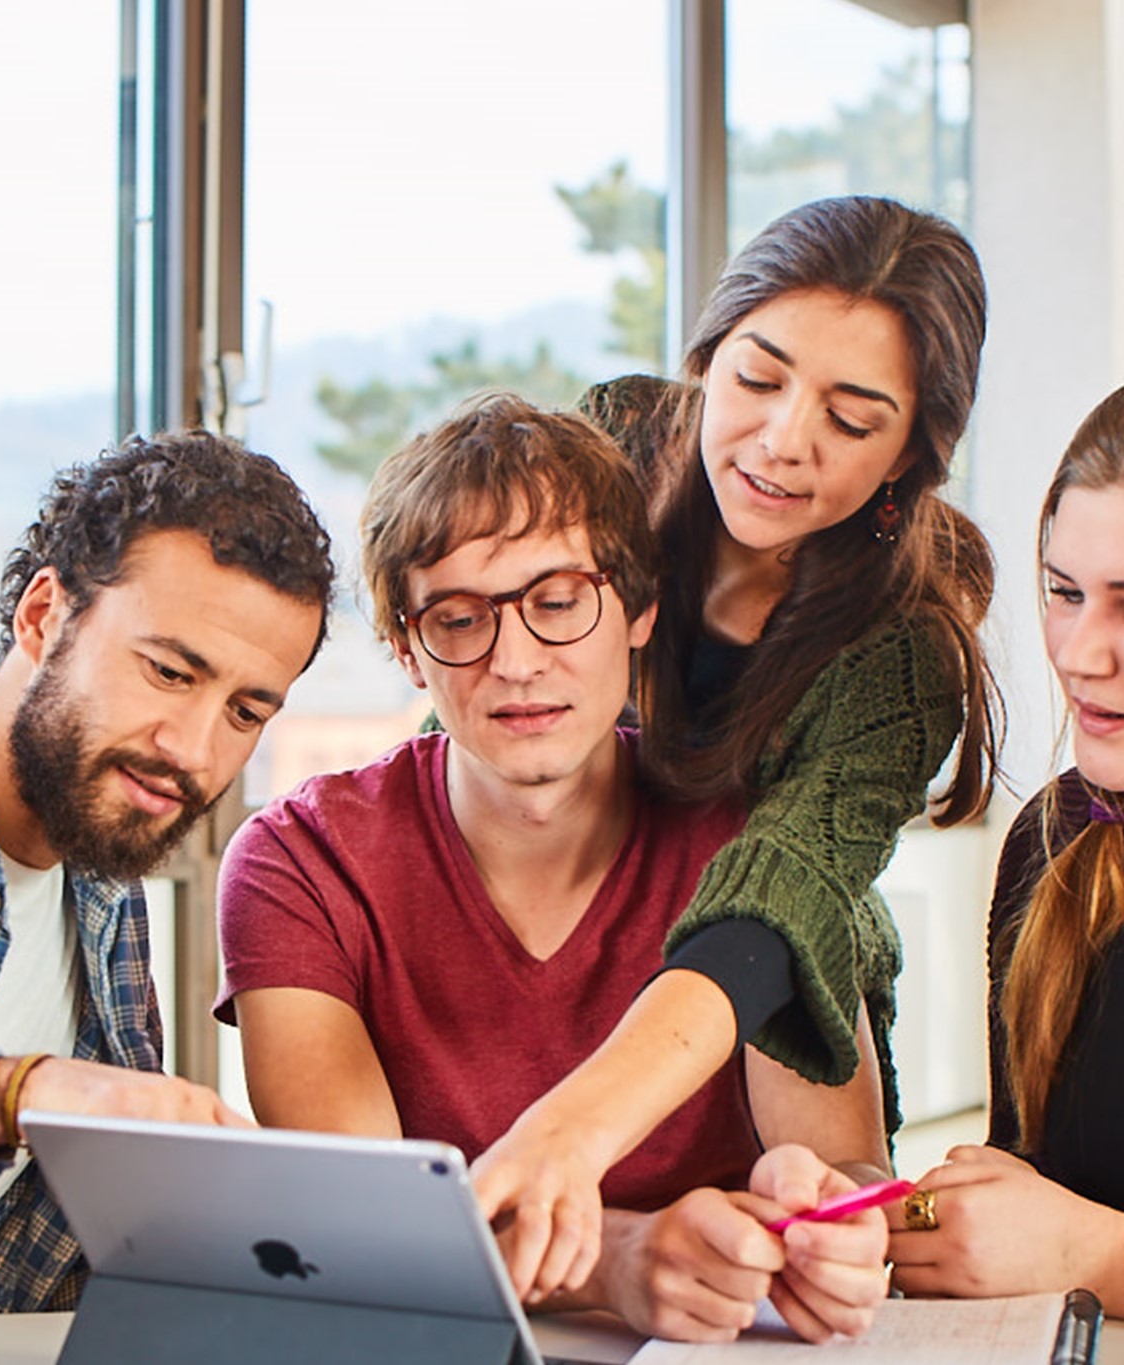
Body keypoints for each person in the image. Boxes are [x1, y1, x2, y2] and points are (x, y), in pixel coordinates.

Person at [216, 395, 892, 1344]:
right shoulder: (298, 861)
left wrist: (830, 1232)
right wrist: (615, 1260)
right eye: (458, 619)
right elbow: (358, 1232)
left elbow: (845, 1175)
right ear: (408, 650)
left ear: (641, 610)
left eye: (560, 602)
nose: (517, 662)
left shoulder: (761, 852)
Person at [469, 194, 1002, 1300]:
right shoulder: (613, 441)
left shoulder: (902, 654)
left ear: (911, 459)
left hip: (743, 990)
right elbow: (484, 686)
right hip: (536, 886)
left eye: (852, 422)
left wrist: (571, 1131)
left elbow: (781, 908)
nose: (780, 441)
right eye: (757, 379)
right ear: (708, 355)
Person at [0, 430, 334, 1365]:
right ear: (43, 614)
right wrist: (24, 1090)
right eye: (168, 670)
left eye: (245, 711)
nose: (194, 750)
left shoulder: (102, 892)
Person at [888, 356, 1124, 1353]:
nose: (1078, 651)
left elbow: (1072, 1241)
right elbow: (1030, 1189)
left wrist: (1108, 1260)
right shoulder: (1065, 837)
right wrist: (898, 1223)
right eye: (1064, 592)